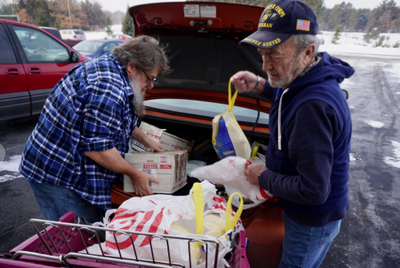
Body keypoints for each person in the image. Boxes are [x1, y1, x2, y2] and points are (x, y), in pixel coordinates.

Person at [230, 0, 354, 267]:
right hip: (309, 214)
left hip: (311, 219)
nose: (265, 65)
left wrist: (263, 176)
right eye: (262, 54)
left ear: (308, 52)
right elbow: (288, 92)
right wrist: (261, 85)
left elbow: (313, 191)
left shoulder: (313, 108)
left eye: (274, 55)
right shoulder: (304, 76)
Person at [19, 35, 171, 223]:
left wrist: (148, 141)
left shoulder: (115, 67)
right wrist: (135, 174)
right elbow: (98, 149)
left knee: (91, 230)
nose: (151, 85)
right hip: (57, 174)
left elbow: (118, 122)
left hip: (69, 165)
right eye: (150, 78)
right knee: (73, 241)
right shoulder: (108, 89)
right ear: (132, 66)